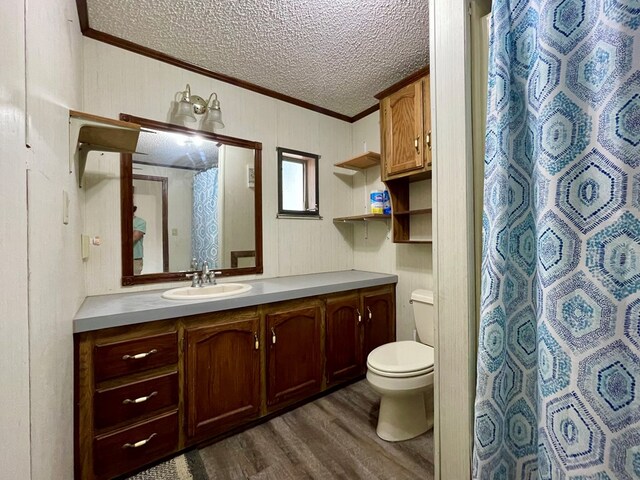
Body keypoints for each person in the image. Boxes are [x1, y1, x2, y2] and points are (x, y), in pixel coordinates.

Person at [133, 206, 146, 275]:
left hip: (135, 259)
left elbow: (134, 237)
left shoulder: (140, 222)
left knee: (134, 283)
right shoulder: (118, 221)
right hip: (118, 257)